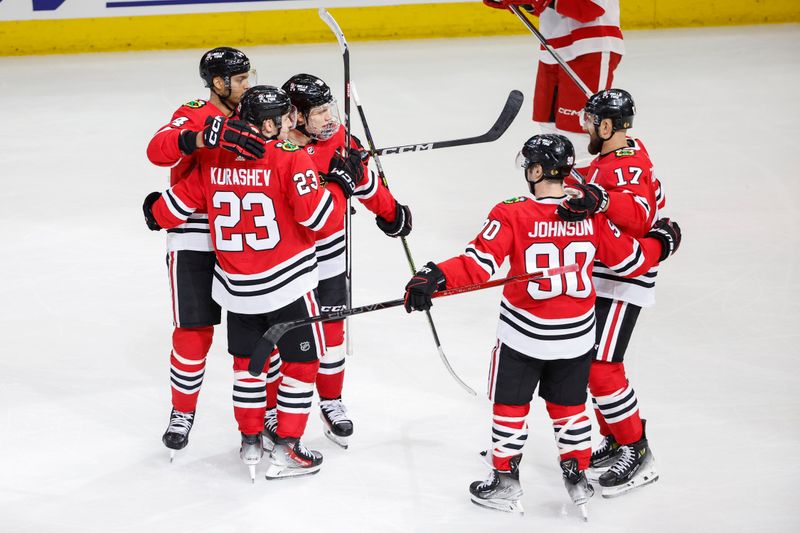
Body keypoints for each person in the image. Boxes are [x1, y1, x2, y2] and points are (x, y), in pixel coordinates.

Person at [403, 134, 680, 518]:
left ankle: (505, 481)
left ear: (535, 170)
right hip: (576, 338)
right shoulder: (591, 213)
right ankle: (578, 476)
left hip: (524, 336)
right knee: (570, 410)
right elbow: (631, 261)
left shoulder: (511, 212)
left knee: (510, 408)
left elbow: (477, 266)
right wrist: (661, 243)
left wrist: (433, 278)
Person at [142, 85, 364, 481]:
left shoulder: (213, 159)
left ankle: (249, 440)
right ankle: (288, 449)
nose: (292, 122)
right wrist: (339, 186)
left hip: (238, 293)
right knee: (302, 363)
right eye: (286, 117)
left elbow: (171, 207)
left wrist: (153, 211)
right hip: (288, 287)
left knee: (247, 367)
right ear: (267, 123)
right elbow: (319, 221)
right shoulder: (288, 157)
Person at [254, 73, 412, 450]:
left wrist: (391, 214)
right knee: (284, 338)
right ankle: (273, 409)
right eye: (321, 112)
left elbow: (367, 186)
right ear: (294, 114)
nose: (330, 119)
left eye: (331, 109)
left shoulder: (340, 143)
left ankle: (330, 401)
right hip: (288, 263)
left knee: (332, 334)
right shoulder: (272, 147)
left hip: (330, 258)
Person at [146, 47, 257, 459]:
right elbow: (157, 149)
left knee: (254, 334)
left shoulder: (253, 108)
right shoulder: (193, 112)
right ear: (217, 83)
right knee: (194, 331)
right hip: (194, 231)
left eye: (248, 78)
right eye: (240, 79)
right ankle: (182, 412)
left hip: (244, 235)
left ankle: (259, 412)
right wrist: (199, 137)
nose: (247, 85)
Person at [556, 88, 667, 497]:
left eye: (589, 120)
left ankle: (638, 451)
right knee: (590, 365)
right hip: (606, 272)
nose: (584, 125)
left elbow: (639, 216)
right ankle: (619, 437)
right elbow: (602, 181)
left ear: (606, 126)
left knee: (603, 368)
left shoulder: (630, 164)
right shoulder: (615, 159)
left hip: (624, 279)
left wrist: (598, 198)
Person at [484, 0, 624, 174]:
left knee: (579, 137)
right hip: (553, 48)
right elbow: (546, 8)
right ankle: (555, 197)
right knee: (549, 135)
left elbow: (592, 8)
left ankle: (584, 197)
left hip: (590, 46)